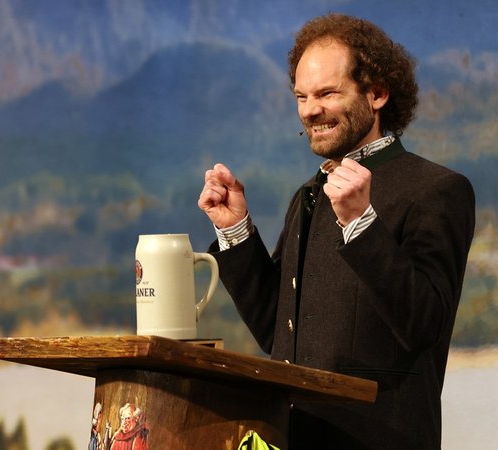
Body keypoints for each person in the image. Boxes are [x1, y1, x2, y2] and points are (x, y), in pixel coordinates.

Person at [197, 13, 475, 450]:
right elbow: (277, 330)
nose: (310, 110)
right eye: (301, 96)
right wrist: (236, 229)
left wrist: (361, 224)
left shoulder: (437, 190)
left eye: (327, 93)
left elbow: (424, 324)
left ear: (378, 93)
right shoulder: (308, 195)